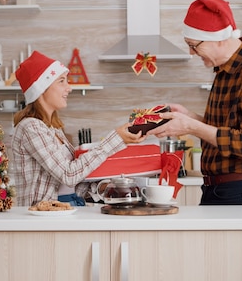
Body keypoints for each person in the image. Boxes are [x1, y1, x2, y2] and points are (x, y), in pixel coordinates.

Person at [147, 0, 242, 264]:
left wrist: (192, 126)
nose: (191, 53)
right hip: (222, 190)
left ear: (218, 38)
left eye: (193, 46)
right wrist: (189, 116)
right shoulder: (226, 70)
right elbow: (228, 130)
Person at [11, 51, 145, 207]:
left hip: (69, 208)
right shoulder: (31, 127)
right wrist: (115, 139)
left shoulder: (54, 129)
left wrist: (102, 185)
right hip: (44, 216)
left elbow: (71, 185)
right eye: (61, 81)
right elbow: (68, 175)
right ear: (41, 89)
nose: (69, 88)